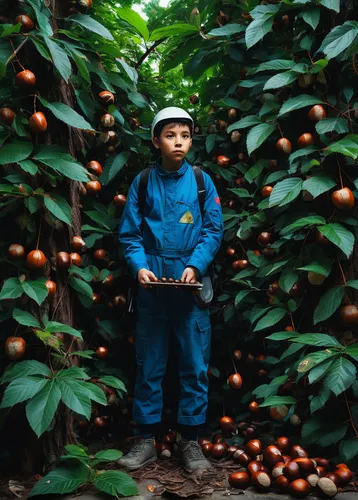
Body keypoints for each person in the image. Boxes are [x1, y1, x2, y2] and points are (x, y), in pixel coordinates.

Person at [117, 107, 224, 473]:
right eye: (170, 135)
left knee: (194, 366)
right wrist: (140, 268)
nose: (178, 142)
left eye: (185, 136)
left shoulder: (200, 181)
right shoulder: (143, 182)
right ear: (155, 140)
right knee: (149, 364)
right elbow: (130, 234)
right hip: (152, 290)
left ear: (191, 140)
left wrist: (195, 265)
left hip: (191, 289)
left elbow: (212, 229)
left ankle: (190, 442)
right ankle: (145, 440)